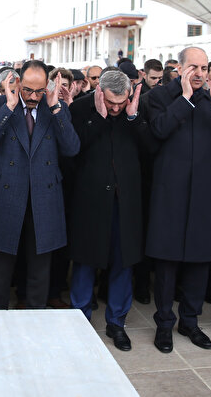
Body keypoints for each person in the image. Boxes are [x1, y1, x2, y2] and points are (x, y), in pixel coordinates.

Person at [146, 47, 211, 353]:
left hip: (202, 195)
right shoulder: (160, 96)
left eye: (204, 67)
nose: (200, 73)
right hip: (169, 194)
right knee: (167, 264)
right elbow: (159, 130)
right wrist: (184, 99)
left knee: (200, 263)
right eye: (193, 67)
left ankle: (190, 321)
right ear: (179, 68)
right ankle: (164, 324)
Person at [0, 60, 80, 310]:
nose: (33, 97)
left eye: (39, 91)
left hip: (43, 198)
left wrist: (55, 108)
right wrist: (10, 107)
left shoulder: (54, 107)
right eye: (28, 90)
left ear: (48, 86)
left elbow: (72, 148)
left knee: (40, 271)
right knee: (0, 271)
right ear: (17, 82)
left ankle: (35, 323)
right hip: (6, 196)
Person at [69, 69, 154, 351]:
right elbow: (73, 150)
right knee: (85, 261)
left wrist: (132, 117)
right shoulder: (82, 108)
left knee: (123, 261)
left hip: (127, 202)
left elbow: (151, 149)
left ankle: (117, 323)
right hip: (90, 201)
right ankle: (80, 320)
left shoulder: (137, 110)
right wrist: (98, 117)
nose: (116, 108)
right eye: (111, 103)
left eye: (121, 102)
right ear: (99, 93)